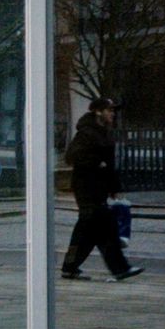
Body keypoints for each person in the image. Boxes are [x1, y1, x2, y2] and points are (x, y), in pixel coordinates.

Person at [60, 97, 140, 281]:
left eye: (113, 111)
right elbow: (71, 156)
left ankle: (70, 266)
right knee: (106, 228)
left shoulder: (103, 132)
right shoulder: (86, 133)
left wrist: (114, 187)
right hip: (87, 188)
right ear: (98, 112)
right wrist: (97, 163)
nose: (112, 114)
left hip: (98, 188)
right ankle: (120, 268)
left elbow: (109, 165)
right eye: (109, 110)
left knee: (86, 234)